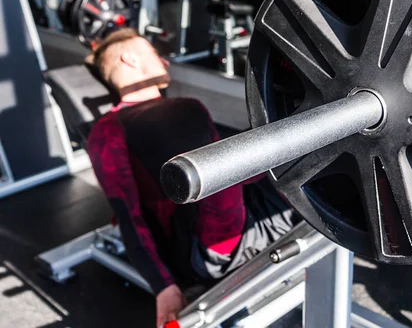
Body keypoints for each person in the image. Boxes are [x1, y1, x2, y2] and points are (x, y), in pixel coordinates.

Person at [86, 29, 297, 327]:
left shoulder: (187, 106)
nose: (165, 62)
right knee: (224, 170)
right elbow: (128, 213)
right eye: (153, 52)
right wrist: (163, 287)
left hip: (253, 210)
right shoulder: (109, 130)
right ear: (129, 58)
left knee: (301, 152)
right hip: (210, 244)